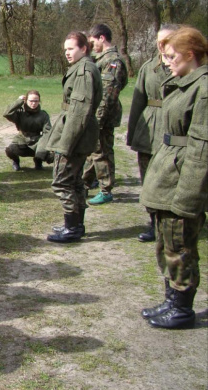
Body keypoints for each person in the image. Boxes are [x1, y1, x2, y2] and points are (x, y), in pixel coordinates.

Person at [139, 26, 207, 329]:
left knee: (180, 245)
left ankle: (182, 308)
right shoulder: (183, 82)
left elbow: (201, 149)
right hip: (168, 173)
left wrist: (189, 196)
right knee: (166, 242)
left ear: (190, 54)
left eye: (171, 56)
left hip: (182, 179)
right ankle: (171, 299)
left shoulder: (203, 88)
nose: (166, 61)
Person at [46, 31, 102, 243]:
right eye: (65, 50)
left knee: (62, 182)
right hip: (78, 133)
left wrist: (65, 145)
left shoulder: (84, 71)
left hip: (74, 136)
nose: (67, 53)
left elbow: (79, 111)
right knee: (76, 182)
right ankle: (76, 225)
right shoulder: (82, 68)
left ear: (84, 48)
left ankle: (72, 228)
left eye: (71, 49)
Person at [127, 25, 178, 242]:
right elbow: (138, 102)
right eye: (158, 41)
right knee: (148, 178)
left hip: (174, 128)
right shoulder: (148, 68)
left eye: (166, 40)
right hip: (149, 127)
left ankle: (174, 222)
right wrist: (132, 134)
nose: (160, 45)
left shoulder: (185, 67)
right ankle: (153, 223)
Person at [82, 24, 128, 205]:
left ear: (102, 38)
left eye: (93, 41)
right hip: (96, 113)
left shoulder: (112, 61)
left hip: (104, 115)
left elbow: (108, 94)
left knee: (102, 152)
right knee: (93, 151)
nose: (91, 45)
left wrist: (98, 119)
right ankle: (84, 183)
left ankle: (106, 190)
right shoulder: (100, 59)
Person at [3, 91, 53, 171]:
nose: (33, 103)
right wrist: (19, 101)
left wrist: (42, 148)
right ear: (26, 101)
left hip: (37, 142)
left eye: (36, 101)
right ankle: (16, 161)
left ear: (39, 101)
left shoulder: (43, 115)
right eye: (31, 101)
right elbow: (7, 114)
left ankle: (38, 161)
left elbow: (48, 132)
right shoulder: (20, 113)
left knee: (48, 155)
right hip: (22, 140)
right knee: (10, 150)